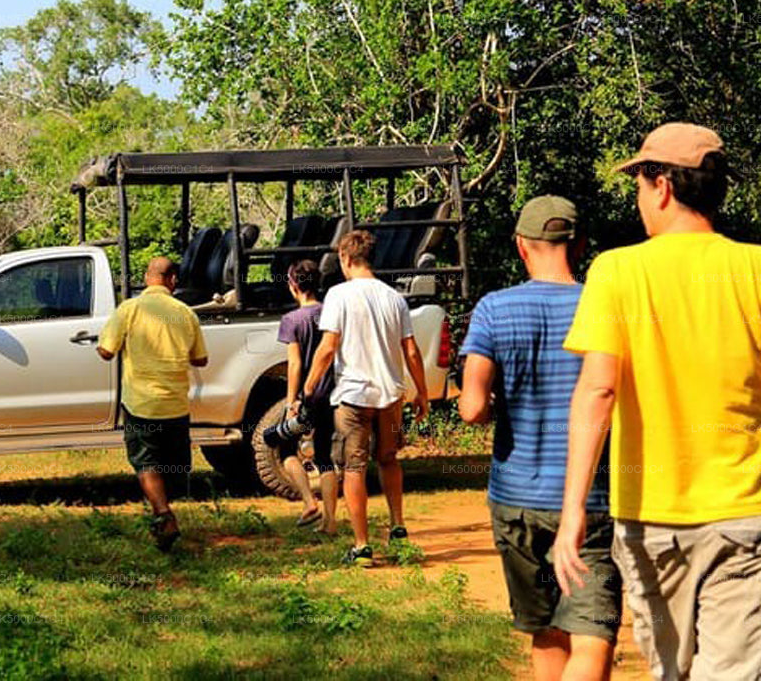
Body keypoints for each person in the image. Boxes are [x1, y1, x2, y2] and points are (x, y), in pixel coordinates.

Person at [553, 123, 761, 680]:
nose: (639, 200)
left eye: (640, 186)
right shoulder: (755, 269)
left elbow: (598, 390)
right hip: (744, 514)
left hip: (651, 520)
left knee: (672, 670)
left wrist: (573, 510)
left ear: (663, 186)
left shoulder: (617, 271)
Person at [458, 196, 620, 681]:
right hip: (592, 498)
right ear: (581, 245)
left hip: (517, 500)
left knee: (545, 630)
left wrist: (497, 403)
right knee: (593, 634)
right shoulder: (605, 306)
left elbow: (471, 409)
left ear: (521, 247)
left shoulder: (494, 309)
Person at [302, 230, 429, 567]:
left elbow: (328, 347)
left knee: (354, 467)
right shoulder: (394, 298)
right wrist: (422, 392)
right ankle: (398, 527)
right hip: (391, 396)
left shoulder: (338, 295)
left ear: (345, 258)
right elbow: (411, 350)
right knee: (389, 458)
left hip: (354, 396)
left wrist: (308, 386)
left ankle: (362, 546)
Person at [98, 257, 209, 552]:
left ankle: (163, 514)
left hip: (141, 404)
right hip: (175, 405)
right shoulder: (185, 313)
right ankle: (164, 508)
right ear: (173, 280)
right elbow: (201, 359)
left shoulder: (130, 309)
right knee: (173, 464)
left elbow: (106, 351)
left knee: (146, 461)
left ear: (148, 277)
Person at [273, 260, 337, 530]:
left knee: (285, 448)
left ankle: (309, 501)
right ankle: (330, 522)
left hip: (307, 396)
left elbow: (295, 364)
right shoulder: (331, 312)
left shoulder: (292, 320)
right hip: (332, 393)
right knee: (325, 458)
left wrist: (291, 401)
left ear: (293, 286)